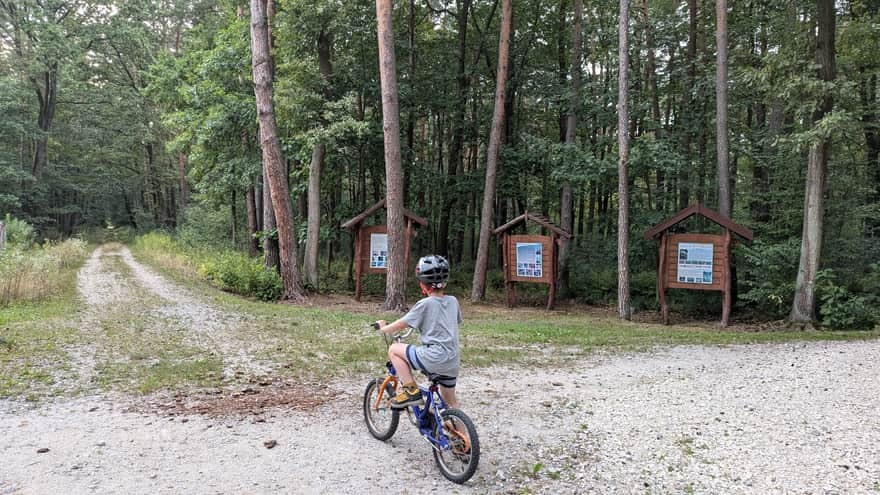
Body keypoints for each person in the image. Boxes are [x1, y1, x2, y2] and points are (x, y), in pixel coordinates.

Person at [376, 255, 462, 409]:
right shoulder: (453, 301)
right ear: (445, 283)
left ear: (423, 285)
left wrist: (383, 328)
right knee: (451, 402)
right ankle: (460, 432)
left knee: (394, 350)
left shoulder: (424, 304)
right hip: (452, 361)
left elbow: (401, 324)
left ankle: (411, 391)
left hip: (434, 357)